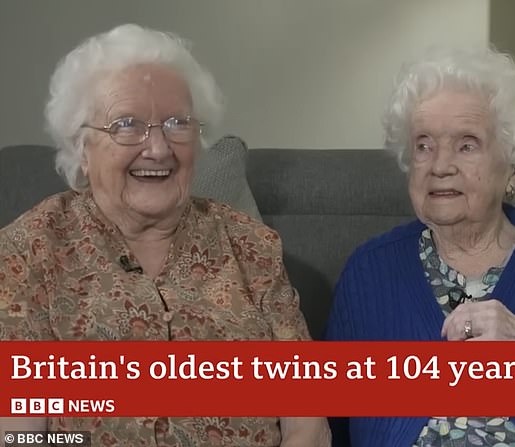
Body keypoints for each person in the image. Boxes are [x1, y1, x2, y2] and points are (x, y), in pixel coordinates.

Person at [0, 24, 330, 446]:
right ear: (82, 148)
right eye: (126, 125)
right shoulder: (29, 251)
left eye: (177, 123)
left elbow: (308, 420)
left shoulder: (251, 246)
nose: (157, 148)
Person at [325, 47, 515, 447]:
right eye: (423, 145)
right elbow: (328, 417)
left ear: (512, 169)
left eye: (466, 145)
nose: (440, 165)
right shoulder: (369, 274)